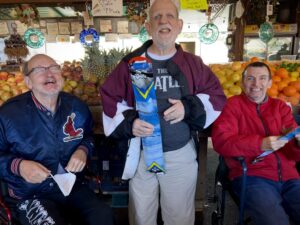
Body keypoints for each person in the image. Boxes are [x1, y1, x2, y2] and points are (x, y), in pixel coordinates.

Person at [100, 0, 226, 224]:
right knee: (141, 216)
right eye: (157, 17)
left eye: (169, 16)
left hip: (179, 153)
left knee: (178, 217)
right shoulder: (131, 63)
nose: (163, 21)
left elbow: (215, 96)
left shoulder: (192, 64)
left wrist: (187, 107)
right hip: (141, 154)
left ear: (179, 25)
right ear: (148, 27)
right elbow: (110, 97)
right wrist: (130, 123)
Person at [0, 54, 114, 225]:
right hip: (31, 193)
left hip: (73, 187)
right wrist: (19, 166)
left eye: (54, 68)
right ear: (28, 82)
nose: (49, 74)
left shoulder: (78, 107)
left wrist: (83, 150)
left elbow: (89, 137)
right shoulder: (8, 114)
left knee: (103, 216)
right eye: (39, 70)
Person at [212, 61, 300, 225]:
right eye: (250, 78)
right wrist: (260, 144)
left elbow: (293, 151)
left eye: (262, 78)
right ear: (243, 81)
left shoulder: (280, 107)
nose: (256, 84)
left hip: (290, 178)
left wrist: (297, 144)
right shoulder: (232, 106)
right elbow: (221, 142)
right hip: (253, 177)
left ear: (270, 83)